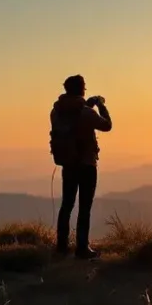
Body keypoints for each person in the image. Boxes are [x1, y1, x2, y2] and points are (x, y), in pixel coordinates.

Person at [50, 74, 112, 259]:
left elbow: (73, 121)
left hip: (68, 163)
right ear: (81, 90)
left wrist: (87, 105)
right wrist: (100, 105)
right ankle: (82, 248)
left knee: (66, 205)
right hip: (86, 164)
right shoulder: (86, 113)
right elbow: (107, 125)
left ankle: (62, 246)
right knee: (85, 207)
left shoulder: (56, 111)